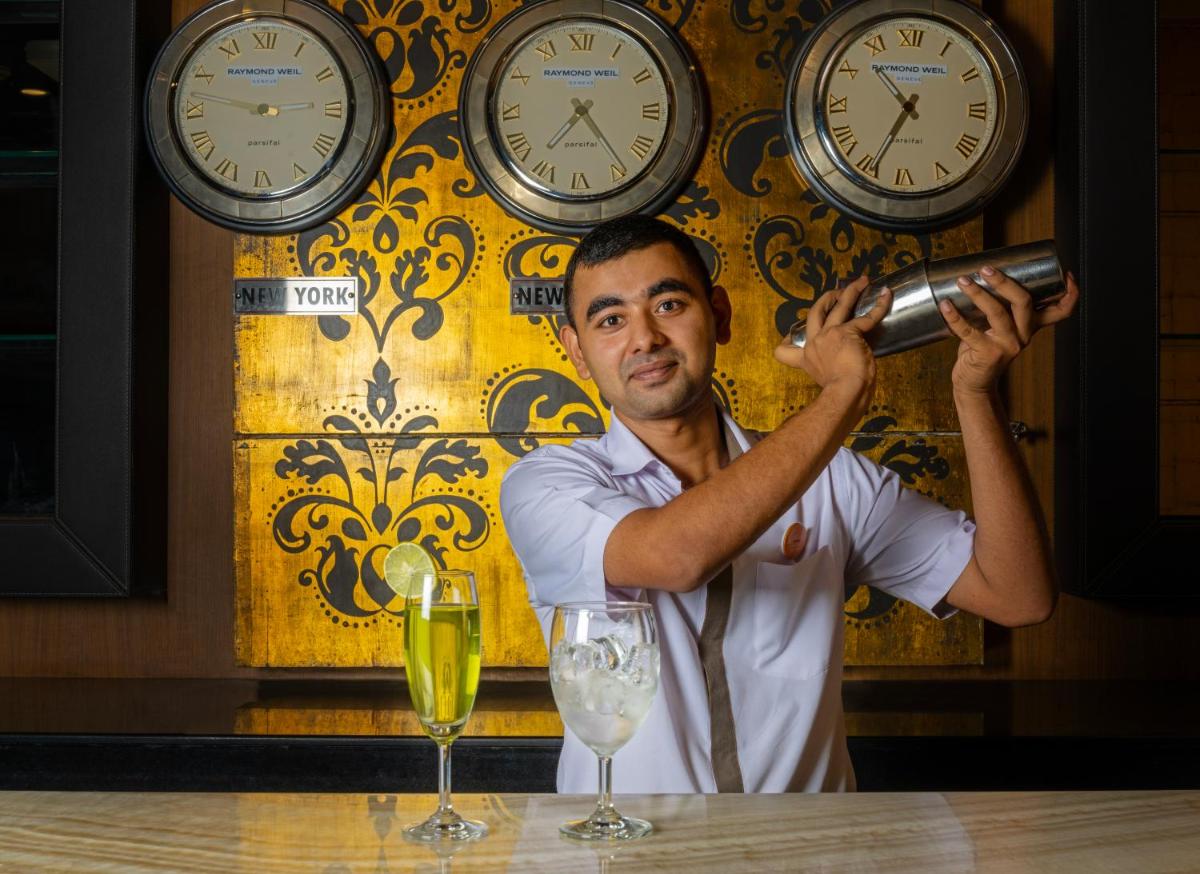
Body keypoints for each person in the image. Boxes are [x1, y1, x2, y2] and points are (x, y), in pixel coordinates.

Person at [498, 215, 1080, 793]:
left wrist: (976, 392)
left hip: (806, 852)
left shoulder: (834, 481)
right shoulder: (546, 485)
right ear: (577, 350)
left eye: (669, 305)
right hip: (623, 850)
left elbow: (1017, 595)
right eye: (610, 319)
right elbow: (676, 556)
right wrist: (844, 393)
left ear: (718, 316)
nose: (645, 338)